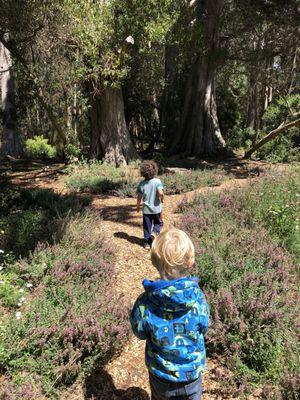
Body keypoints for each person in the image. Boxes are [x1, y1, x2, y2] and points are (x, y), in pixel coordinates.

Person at [130, 228, 210, 400]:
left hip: (161, 374)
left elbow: (139, 332)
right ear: (190, 262)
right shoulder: (198, 298)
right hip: (191, 375)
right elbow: (204, 327)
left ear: (155, 262)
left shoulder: (146, 302)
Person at [136, 160, 164, 249]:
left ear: (143, 172)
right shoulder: (157, 181)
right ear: (154, 170)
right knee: (158, 223)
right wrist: (162, 198)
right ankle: (155, 233)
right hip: (156, 209)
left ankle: (147, 243)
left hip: (146, 210)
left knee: (146, 226)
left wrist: (137, 206)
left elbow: (139, 197)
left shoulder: (141, 184)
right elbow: (160, 192)